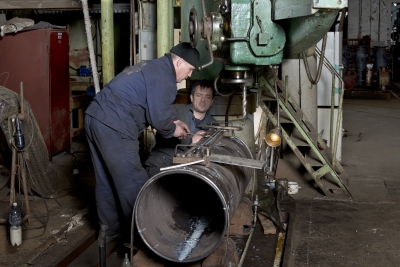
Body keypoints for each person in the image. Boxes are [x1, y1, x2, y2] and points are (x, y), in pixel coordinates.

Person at [84, 42, 199, 240]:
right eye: (190, 70)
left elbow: (153, 105)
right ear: (180, 62)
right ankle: (146, 238)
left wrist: (173, 122)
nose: (189, 75)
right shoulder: (167, 79)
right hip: (115, 125)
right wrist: (173, 129)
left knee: (106, 180)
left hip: (95, 117)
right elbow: (159, 120)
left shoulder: (152, 66)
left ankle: (110, 231)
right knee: (134, 182)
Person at [145, 80, 217, 177]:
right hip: (162, 165)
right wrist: (191, 140)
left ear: (212, 101)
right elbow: (161, 134)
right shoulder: (175, 111)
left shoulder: (214, 126)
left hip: (191, 171)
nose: (203, 100)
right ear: (191, 97)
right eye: (199, 95)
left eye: (207, 97)